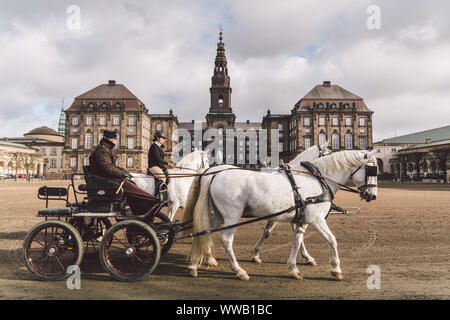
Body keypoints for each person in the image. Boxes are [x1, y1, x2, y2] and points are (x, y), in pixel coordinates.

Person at [89, 129, 159, 215]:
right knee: (131, 188)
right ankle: (150, 201)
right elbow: (106, 167)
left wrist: (123, 171)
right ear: (110, 139)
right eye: (115, 138)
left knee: (132, 184)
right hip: (105, 180)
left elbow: (111, 166)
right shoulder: (102, 150)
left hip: (107, 178)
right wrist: (122, 173)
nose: (116, 140)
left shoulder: (106, 149)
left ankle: (138, 209)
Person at [147, 130, 174, 199]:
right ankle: (157, 195)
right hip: (153, 167)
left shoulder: (159, 148)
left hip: (159, 167)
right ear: (158, 138)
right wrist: (167, 163)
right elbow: (158, 159)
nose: (164, 140)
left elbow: (162, 159)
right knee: (162, 177)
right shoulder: (154, 146)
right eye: (163, 138)